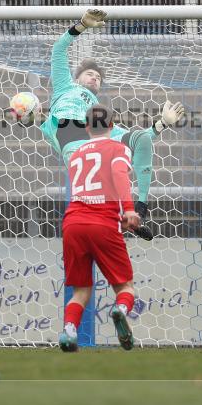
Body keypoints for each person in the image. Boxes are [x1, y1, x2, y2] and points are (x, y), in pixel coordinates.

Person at [40, 9, 186, 240]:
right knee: (101, 187)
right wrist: (81, 26)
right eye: (90, 74)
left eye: (98, 77)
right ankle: (119, 217)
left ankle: (139, 210)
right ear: (77, 78)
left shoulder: (100, 118)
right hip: (70, 133)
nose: (95, 78)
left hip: (92, 144)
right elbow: (58, 50)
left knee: (142, 138)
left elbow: (137, 138)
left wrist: (163, 124)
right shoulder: (65, 86)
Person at [59, 104, 140, 352]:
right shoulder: (118, 148)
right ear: (112, 126)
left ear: (86, 127)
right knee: (125, 287)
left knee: (81, 290)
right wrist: (128, 209)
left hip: (73, 222)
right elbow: (117, 173)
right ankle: (120, 309)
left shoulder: (76, 154)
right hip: (103, 222)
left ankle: (69, 331)